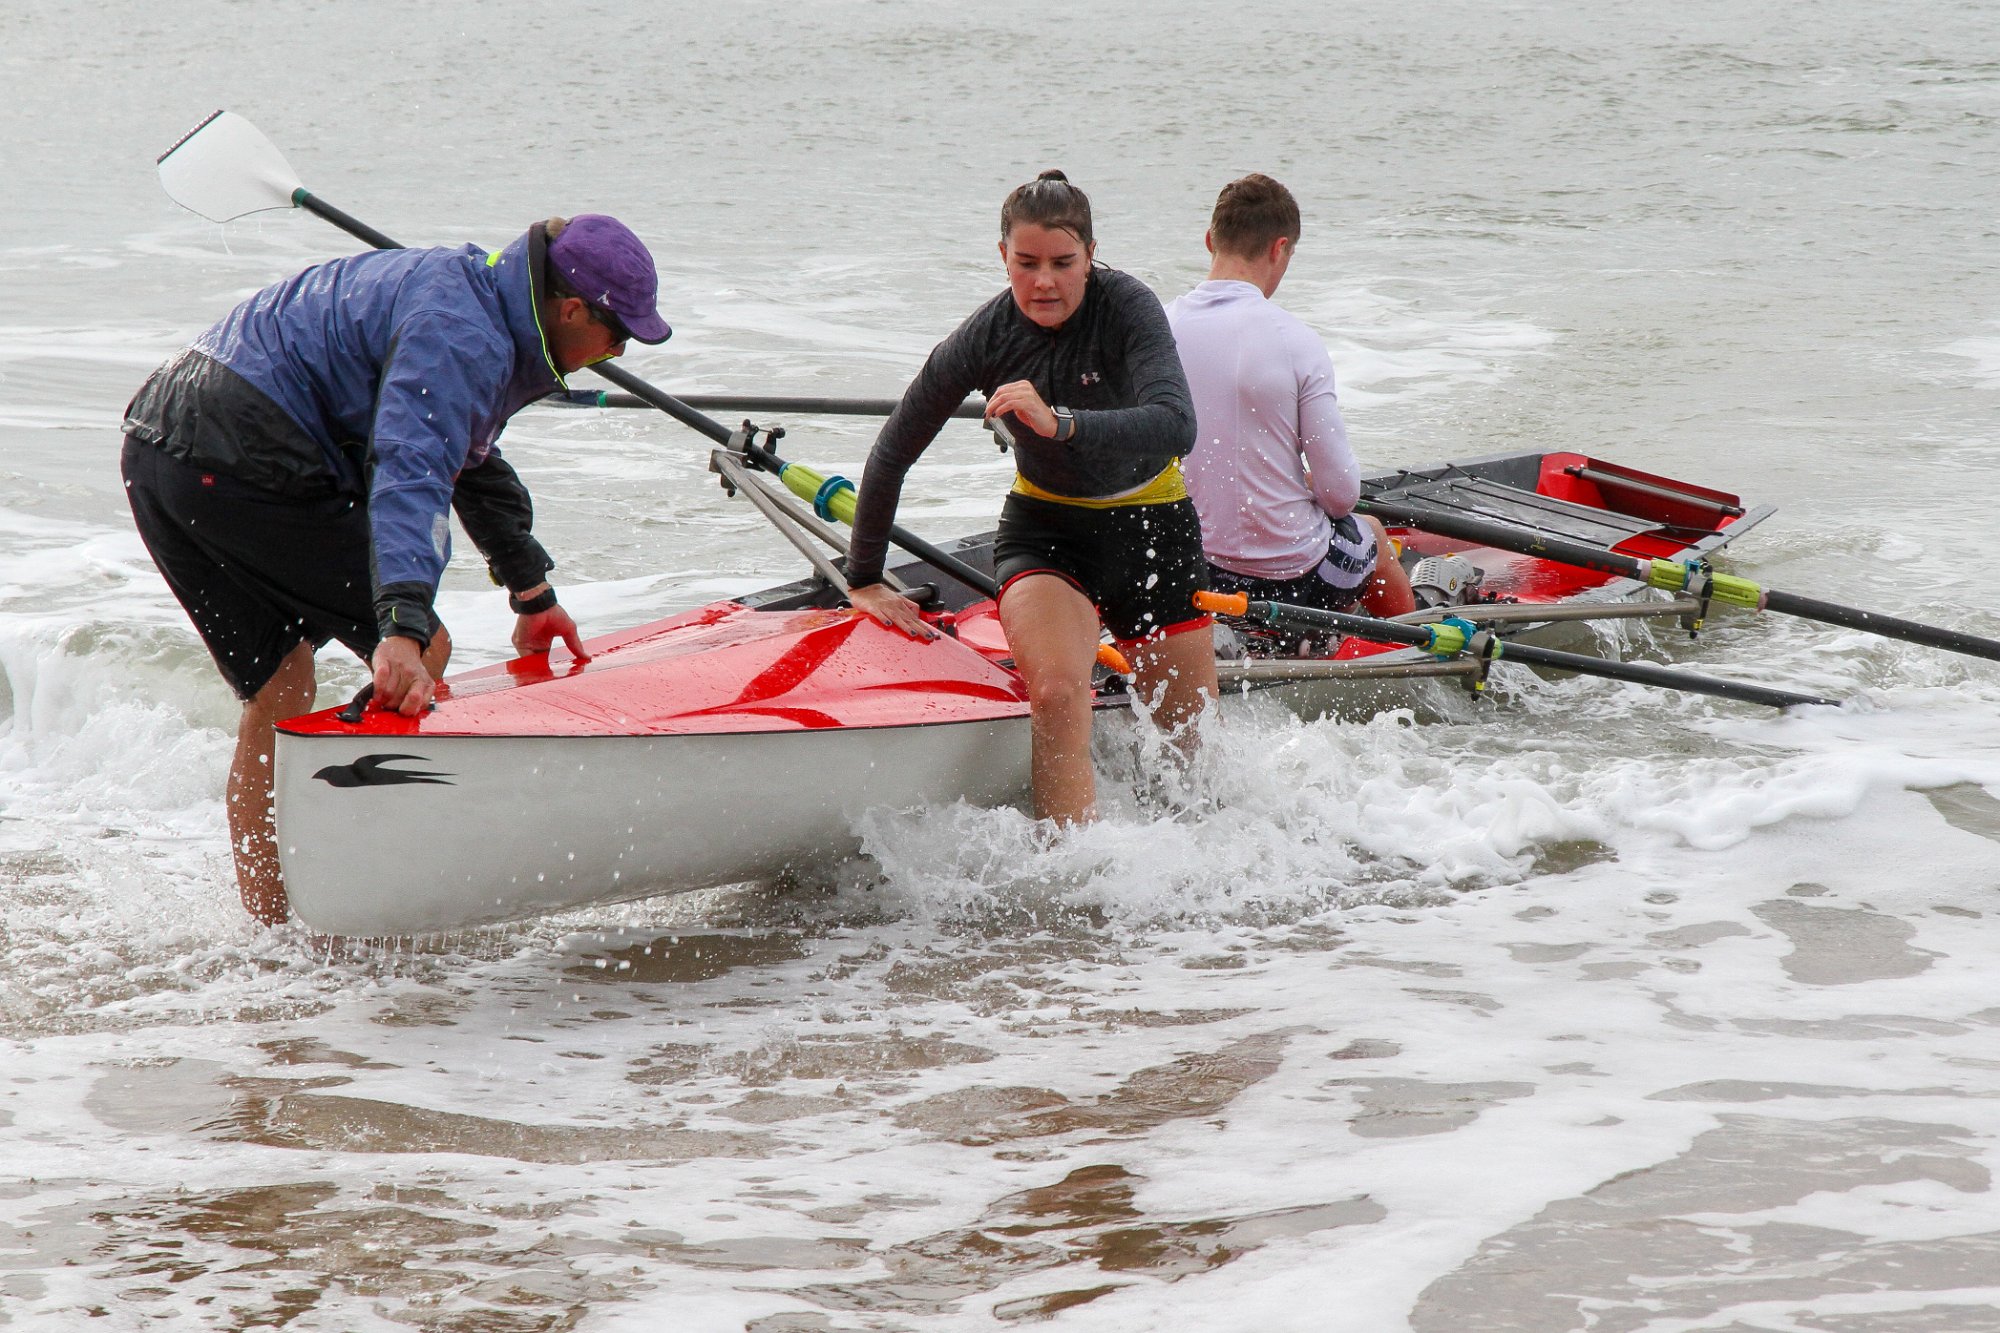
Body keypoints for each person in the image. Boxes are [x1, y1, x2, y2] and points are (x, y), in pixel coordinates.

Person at [121, 214, 672, 924]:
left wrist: (531, 592)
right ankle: (375, 910)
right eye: (619, 332)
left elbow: (464, 456)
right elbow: (411, 469)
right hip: (238, 451)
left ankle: (274, 928)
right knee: (420, 652)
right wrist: (402, 625)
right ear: (571, 310)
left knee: (281, 684)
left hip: (159, 448)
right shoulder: (462, 332)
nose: (619, 349)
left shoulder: (472, 297)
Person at [845, 171, 1218, 826]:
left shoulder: (1128, 307)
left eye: (1062, 263)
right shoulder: (986, 336)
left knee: (1193, 757)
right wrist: (866, 576)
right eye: (1027, 263)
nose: (1044, 281)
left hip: (1155, 533)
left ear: (1091, 256)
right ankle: (1073, 884)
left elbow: (1177, 423)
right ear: (1003, 258)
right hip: (1048, 533)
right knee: (1053, 691)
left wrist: (1062, 422)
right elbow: (893, 449)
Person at [1167, 174, 1417, 623]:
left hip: (1192, 569)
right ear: (1279, 248)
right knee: (1373, 535)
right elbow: (1341, 494)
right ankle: (1405, 648)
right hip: (1292, 576)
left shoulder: (1158, 329)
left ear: (1210, 240)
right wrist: (1304, 485)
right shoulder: (1295, 340)